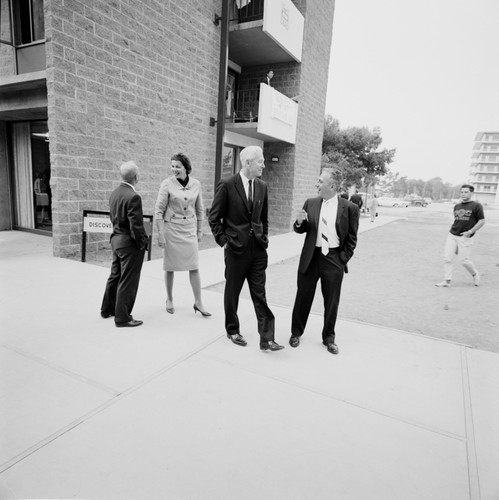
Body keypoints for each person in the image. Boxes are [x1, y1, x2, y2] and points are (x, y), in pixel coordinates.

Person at [209, 145, 284, 352]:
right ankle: (232, 329)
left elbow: (264, 218)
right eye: (260, 161)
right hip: (235, 250)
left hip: (258, 250)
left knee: (260, 293)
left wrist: (264, 238)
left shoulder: (262, 186)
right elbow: (214, 217)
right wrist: (224, 241)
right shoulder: (227, 185)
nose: (264, 165)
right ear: (248, 162)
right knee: (232, 292)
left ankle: (267, 338)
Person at [289, 167, 359, 355]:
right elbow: (301, 230)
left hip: (334, 259)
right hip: (311, 257)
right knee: (303, 296)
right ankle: (296, 332)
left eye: (320, 182)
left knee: (332, 301)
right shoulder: (310, 203)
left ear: (333, 185)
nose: (316, 184)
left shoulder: (350, 208)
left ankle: (329, 338)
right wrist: (299, 222)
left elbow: (352, 238)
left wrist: (342, 259)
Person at [154, 153, 210, 316]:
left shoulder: (196, 184)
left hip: (189, 229)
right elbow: (158, 210)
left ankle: (198, 302)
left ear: (186, 167)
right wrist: (160, 234)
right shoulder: (167, 184)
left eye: (177, 166)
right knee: (169, 266)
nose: (174, 169)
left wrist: (200, 230)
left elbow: (200, 209)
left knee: (194, 266)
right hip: (171, 229)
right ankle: (169, 298)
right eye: (172, 166)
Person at [101, 161, 149, 327]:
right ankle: (122, 317)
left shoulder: (114, 193)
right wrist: (143, 243)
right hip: (129, 244)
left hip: (116, 240)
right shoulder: (133, 196)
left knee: (115, 275)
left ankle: (107, 309)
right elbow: (135, 226)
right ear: (136, 176)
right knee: (128, 280)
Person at [435, 184, 485, 288]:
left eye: (466, 192)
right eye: (462, 192)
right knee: (447, 258)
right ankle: (447, 281)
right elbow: (457, 220)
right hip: (452, 234)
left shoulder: (476, 206)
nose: (463, 194)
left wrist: (470, 231)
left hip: (466, 236)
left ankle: (475, 274)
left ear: (471, 193)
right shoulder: (457, 206)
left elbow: (482, 221)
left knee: (463, 260)